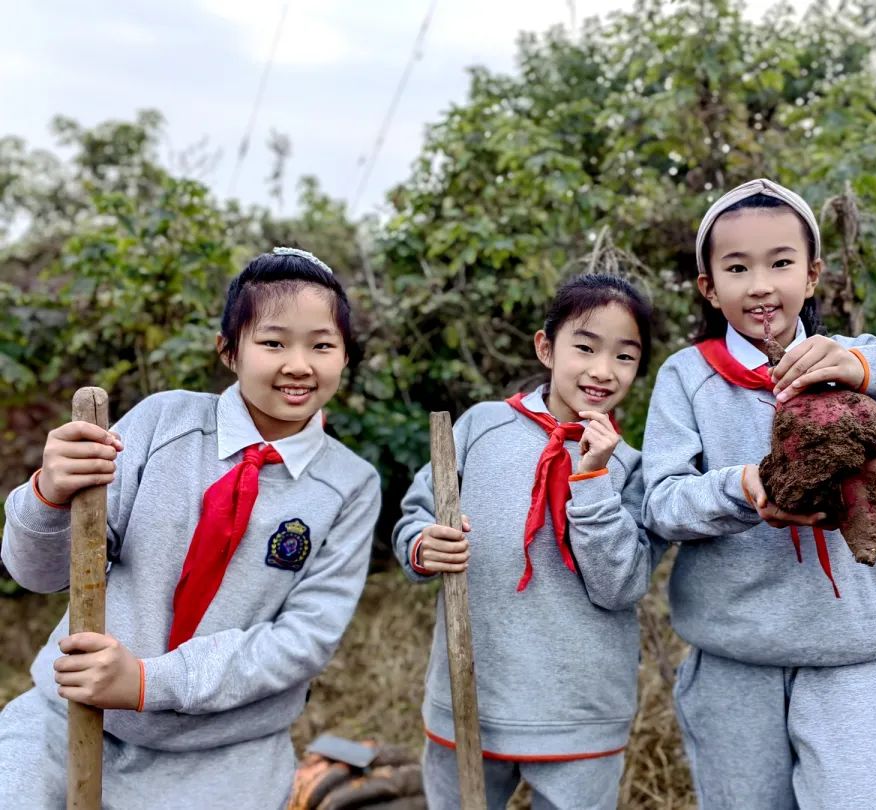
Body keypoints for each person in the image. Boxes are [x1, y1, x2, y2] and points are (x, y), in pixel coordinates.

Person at [641, 178, 876, 809]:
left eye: (781, 263)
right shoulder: (688, 377)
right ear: (708, 287)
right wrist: (743, 488)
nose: (760, 284)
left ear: (812, 276)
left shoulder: (856, 367)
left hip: (849, 659)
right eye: (737, 267)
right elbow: (662, 504)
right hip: (731, 662)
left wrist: (869, 370)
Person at [0, 247, 381, 809]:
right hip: (72, 717)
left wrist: (149, 682)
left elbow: (303, 641)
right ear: (229, 350)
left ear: (345, 357)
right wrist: (48, 497)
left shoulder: (349, 484)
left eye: (322, 345)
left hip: (222, 753)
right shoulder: (162, 423)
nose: (299, 364)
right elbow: (40, 573)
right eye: (273, 342)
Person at [393, 273, 663, 810]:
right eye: (584, 347)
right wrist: (423, 545)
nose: (602, 370)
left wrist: (591, 477)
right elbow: (414, 517)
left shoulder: (633, 469)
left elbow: (620, 586)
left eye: (624, 357)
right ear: (546, 347)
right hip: (472, 700)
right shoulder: (480, 429)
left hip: (580, 715)